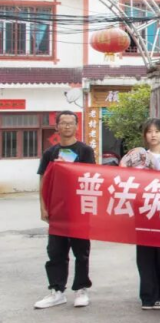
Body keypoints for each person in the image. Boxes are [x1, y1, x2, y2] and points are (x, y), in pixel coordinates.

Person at [33, 111, 96, 310]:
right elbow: (43, 180)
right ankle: (57, 291)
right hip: (57, 210)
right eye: (63, 123)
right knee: (55, 251)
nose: (67, 126)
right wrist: (43, 206)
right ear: (57, 127)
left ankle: (81, 289)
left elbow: (91, 177)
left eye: (71, 123)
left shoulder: (85, 151)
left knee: (81, 252)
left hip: (79, 210)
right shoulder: (50, 153)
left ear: (77, 126)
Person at [123, 118, 160, 310]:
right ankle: (148, 295)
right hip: (145, 210)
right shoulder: (138, 158)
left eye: (157, 131)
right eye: (149, 131)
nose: (153, 135)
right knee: (145, 254)